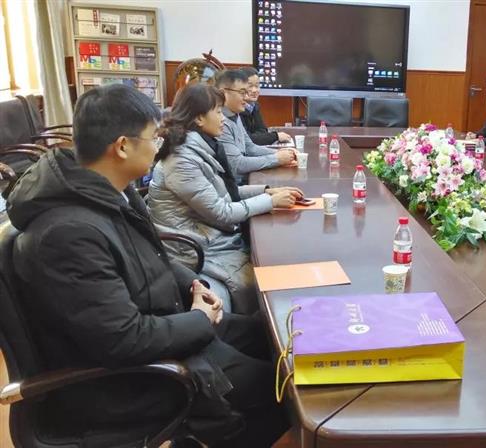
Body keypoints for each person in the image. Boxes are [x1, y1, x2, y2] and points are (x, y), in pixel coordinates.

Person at [6, 84, 288, 446]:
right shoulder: (67, 234)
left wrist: (193, 285)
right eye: (154, 136)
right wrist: (199, 319)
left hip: (167, 323)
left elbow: (154, 255)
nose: (160, 145)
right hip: (132, 380)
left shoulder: (110, 191)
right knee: (281, 388)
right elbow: (124, 340)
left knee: (269, 335)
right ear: (123, 146)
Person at [149, 84, 303, 314]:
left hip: (211, 235)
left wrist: (266, 191)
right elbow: (221, 211)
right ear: (199, 118)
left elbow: (220, 193)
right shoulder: (182, 160)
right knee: (277, 267)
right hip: (198, 248)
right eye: (219, 112)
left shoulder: (200, 146)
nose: (223, 118)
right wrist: (269, 202)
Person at [215, 69, 295, 184]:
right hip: (235, 186)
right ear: (224, 93)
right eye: (242, 92)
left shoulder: (235, 114)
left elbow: (250, 147)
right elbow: (237, 165)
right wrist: (277, 159)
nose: (246, 97)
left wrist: (280, 153)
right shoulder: (220, 122)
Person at [240, 66, 293, 146]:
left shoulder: (254, 105)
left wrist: (259, 137)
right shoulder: (236, 109)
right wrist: (276, 136)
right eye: (250, 86)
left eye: (257, 86)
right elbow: (248, 140)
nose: (254, 90)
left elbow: (263, 131)